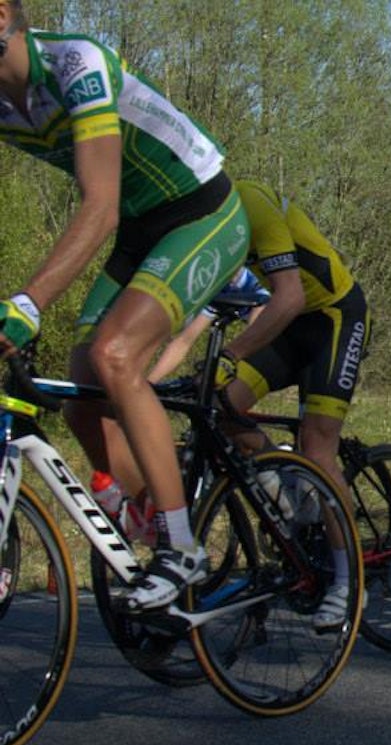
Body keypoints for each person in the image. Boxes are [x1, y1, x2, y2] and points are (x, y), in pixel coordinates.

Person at [0, 4, 249, 611]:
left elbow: (100, 207)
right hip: (141, 233)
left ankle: (183, 548)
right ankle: (151, 516)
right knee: (80, 392)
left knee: (116, 356)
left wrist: (28, 302)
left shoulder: (74, 63)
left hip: (202, 212)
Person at [210, 178, 370, 628]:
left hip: (334, 316)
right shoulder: (198, 221)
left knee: (318, 448)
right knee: (222, 408)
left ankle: (347, 582)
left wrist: (233, 353)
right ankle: (282, 484)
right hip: (290, 324)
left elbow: (290, 295)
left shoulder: (250, 203)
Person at [148, 266, 270, 382]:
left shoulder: (256, 283)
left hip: (261, 294)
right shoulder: (216, 283)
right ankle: (150, 384)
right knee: (185, 338)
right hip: (225, 287)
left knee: (251, 343)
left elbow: (251, 341)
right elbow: (183, 341)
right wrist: (147, 385)